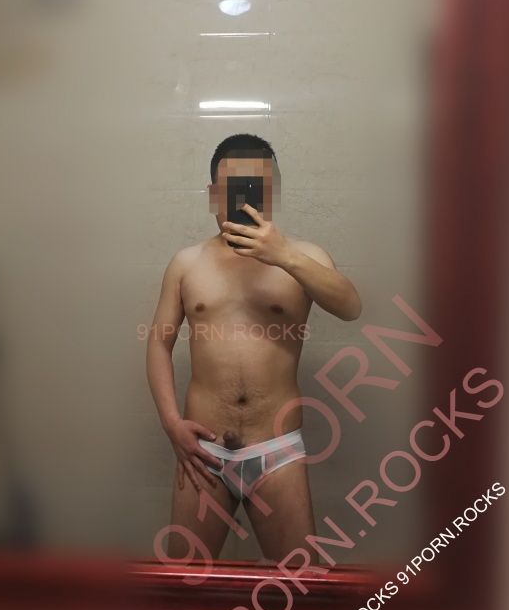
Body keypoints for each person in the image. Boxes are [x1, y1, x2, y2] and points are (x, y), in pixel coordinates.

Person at [146, 134, 362, 561]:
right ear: (213, 194)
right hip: (203, 452)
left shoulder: (304, 256)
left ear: (272, 191)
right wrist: (171, 424)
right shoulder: (187, 263)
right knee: (184, 584)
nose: (244, 198)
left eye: (256, 186)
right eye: (233, 187)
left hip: (277, 449)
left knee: (299, 584)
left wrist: (285, 256)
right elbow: (158, 342)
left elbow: (351, 307)